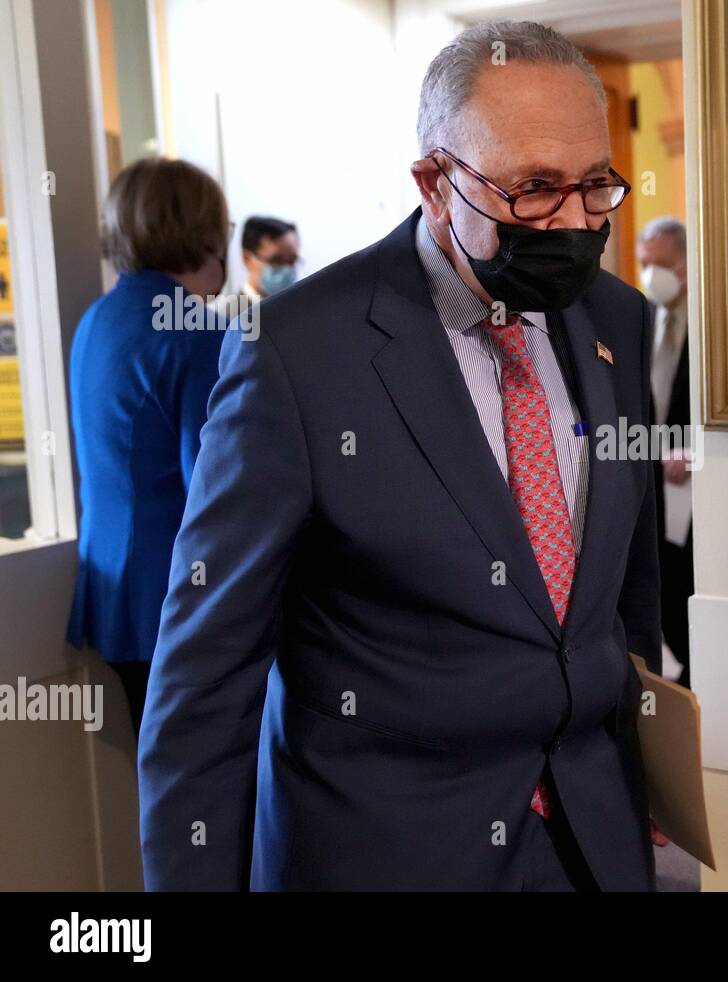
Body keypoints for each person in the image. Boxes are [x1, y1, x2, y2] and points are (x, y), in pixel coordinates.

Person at [139, 20, 662, 892]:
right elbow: (204, 687)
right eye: (534, 189)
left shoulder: (616, 318)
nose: (574, 221)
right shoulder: (297, 355)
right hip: (386, 851)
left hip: (592, 846)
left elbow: (625, 593)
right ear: (433, 181)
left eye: (595, 185)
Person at [66, 157, 230, 735]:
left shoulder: (98, 318)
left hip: (113, 588)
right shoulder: (196, 333)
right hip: (177, 600)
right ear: (203, 234)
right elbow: (214, 493)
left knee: (168, 786)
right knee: (214, 793)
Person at [636, 216, 693, 690]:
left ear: (687, 264)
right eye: (644, 263)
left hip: (699, 487)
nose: (652, 274)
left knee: (687, 593)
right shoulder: (637, 317)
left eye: (662, 264)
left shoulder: (715, 321)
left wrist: (696, 451)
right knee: (660, 594)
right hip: (649, 476)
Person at [239, 215, 300, 301]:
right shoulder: (228, 313)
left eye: (292, 260)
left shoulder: (300, 309)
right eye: (276, 261)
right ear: (247, 259)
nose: (287, 269)